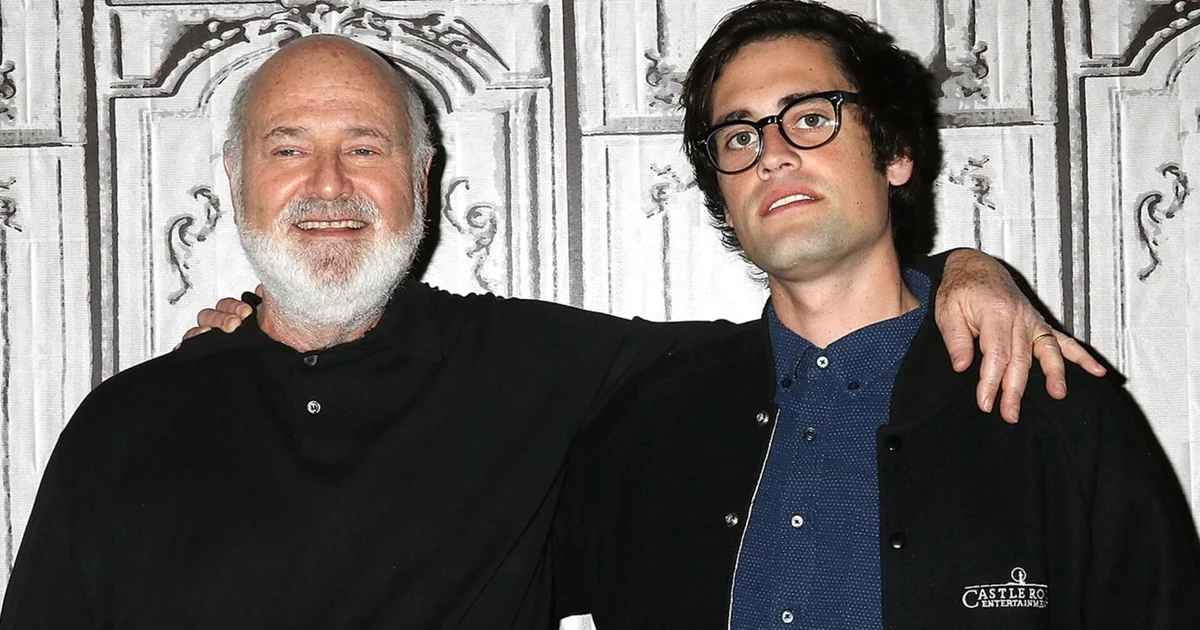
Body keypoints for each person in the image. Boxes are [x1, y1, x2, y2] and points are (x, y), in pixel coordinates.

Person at [0, 33, 1097, 630]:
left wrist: (959, 270)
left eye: (366, 147)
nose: (328, 183)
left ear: (423, 176)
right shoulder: (126, 424)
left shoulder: (537, 368)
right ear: (236, 176)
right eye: (288, 148)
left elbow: (808, 326)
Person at [552, 2, 1200, 629]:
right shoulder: (649, 428)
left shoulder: (1051, 407)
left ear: (895, 154)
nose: (770, 154)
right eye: (740, 135)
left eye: (810, 118)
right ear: (722, 195)